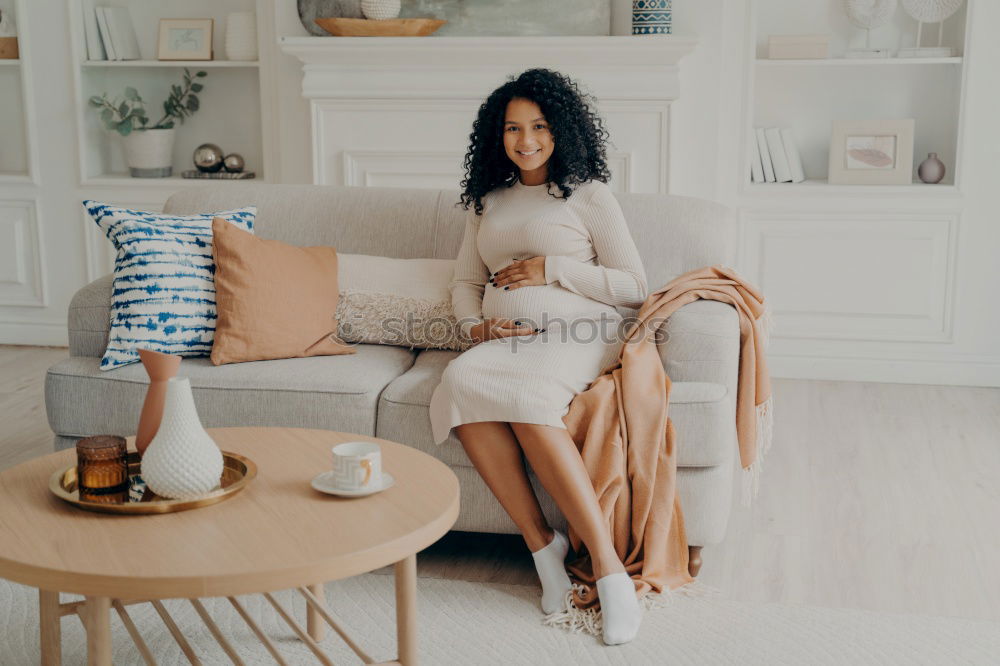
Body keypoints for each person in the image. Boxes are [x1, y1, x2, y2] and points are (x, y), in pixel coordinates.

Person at [427, 68, 650, 646]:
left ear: (561, 130)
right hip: (506, 338)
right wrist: (476, 326)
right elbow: (463, 281)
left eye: (539, 126)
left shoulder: (589, 195)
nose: (525, 140)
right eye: (512, 129)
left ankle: (607, 570)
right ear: (496, 136)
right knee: (459, 383)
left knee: (529, 400)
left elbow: (632, 284)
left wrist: (551, 268)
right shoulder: (488, 200)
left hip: (581, 330)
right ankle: (543, 549)